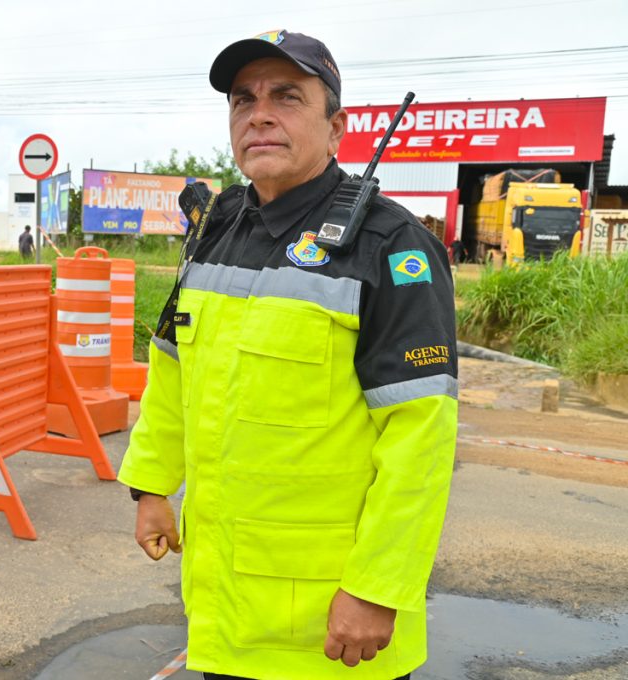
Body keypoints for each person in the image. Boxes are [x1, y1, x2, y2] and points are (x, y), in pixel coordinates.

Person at [118, 30, 458, 680]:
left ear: (337, 128)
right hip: (225, 617)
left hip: (336, 633)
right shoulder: (216, 231)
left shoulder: (391, 247)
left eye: (287, 96)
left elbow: (421, 435)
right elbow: (173, 369)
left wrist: (378, 587)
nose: (260, 114)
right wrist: (152, 485)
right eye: (243, 99)